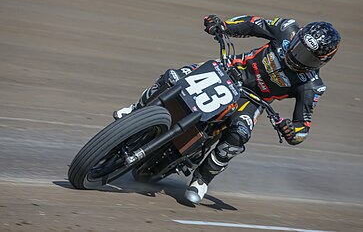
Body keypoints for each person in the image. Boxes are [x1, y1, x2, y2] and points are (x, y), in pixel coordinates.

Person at [113, 15, 341, 204]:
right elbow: (253, 23)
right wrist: (222, 26)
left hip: (254, 100)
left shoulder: (312, 86)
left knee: (239, 135)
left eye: (307, 55)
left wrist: (291, 131)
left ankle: (201, 179)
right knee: (174, 76)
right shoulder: (286, 28)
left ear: (322, 61)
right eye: (299, 46)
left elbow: (302, 128)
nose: (297, 54)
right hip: (230, 69)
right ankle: (136, 110)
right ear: (298, 36)